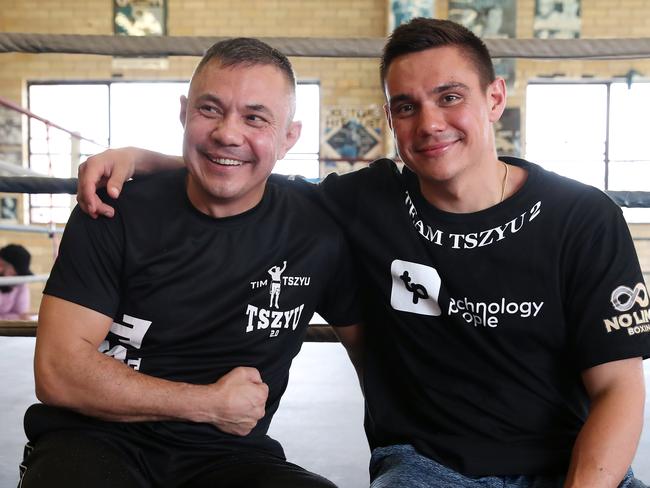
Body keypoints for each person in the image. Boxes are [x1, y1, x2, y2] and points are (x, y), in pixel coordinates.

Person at [76, 18, 650, 488]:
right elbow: (243, 166)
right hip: (429, 468)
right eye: (406, 106)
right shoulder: (365, 202)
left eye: (450, 97)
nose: (429, 123)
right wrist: (145, 157)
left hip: (577, 465)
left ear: (494, 98)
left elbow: (620, 388)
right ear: (391, 119)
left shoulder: (583, 217)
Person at [20, 37, 362, 488]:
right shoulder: (114, 208)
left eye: (255, 117)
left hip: (227, 457)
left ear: (289, 137)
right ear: (184, 113)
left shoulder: (318, 226)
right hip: (93, 440)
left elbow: (377, 355)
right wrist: (209, 403)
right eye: (210, 110)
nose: (228, 132)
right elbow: (59, 373)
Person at [0, 243, 32, 317]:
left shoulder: (19, 281)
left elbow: (22, 314)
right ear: (1, 264)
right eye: (15, 273)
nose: (18, 277)